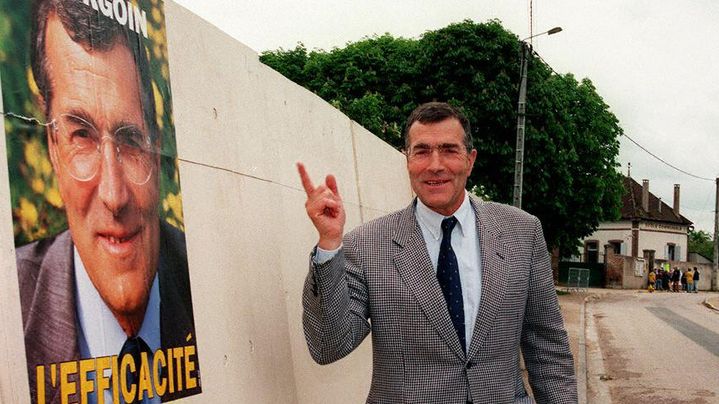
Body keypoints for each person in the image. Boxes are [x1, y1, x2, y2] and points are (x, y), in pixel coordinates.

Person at [298, 102, 577, 403]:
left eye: (448, 150)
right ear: (407, 160)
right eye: (421, 151)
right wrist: (329, 245)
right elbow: (329, 345)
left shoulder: (522, 232)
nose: (435, 165)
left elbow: (548, 348)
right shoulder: (365, 245)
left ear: (470, 160)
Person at [15, 1, 200, 402]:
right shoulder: (14, 300)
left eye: (131, 139)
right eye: (81, 136)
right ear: (51, 144)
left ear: (156, 145)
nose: (114, 196)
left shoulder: (199, 274)